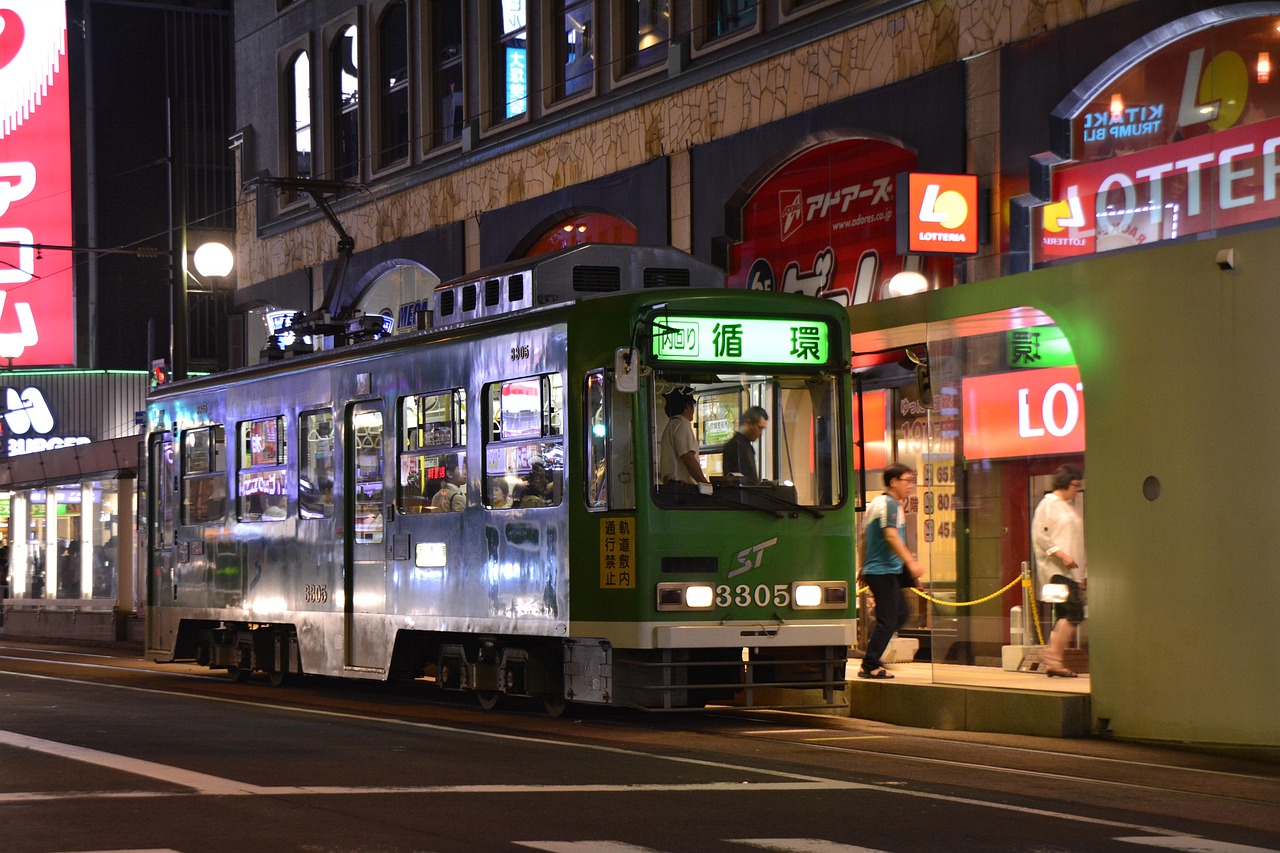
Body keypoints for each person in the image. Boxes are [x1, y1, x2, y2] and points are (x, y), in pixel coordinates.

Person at [857, 463, 923, 679]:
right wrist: (911, 564)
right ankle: (870, 665)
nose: (910, 486)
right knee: (888, 618)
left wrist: (862, 566)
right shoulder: (889, 505)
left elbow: (865, 538)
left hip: (886, 570)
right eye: (907, 481)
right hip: (883, 571)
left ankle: (875, 648)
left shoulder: (880, 503)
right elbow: (891, 536)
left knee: (901, 614)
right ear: (893, 482)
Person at [1032, 464, 1087, 678]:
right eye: (1074, 485)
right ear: (1064, 483)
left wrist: (1081, 574)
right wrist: (1061, 555)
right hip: (1056, 570)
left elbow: (1076, 542)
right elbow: (1040, 536)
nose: (1076, 489)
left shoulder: (1069, 507)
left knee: (1066, 613)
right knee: (1075, 611)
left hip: (1069, 572)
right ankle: (1052, 656)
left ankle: (1054, 660)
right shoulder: (1049, 504)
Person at [657, 387, 710, 489]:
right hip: (682, 487)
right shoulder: (682, 425)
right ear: (687, 406)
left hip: (672, 486)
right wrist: (704, 483)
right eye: (693, 405)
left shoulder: (672, 425)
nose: (693, 410)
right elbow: (688, 458)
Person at [720, 405, 768, 484]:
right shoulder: (735, 447)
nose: (760, 433)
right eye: (759, 428)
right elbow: (739, 481)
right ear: (747, 423)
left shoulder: (744, 445)